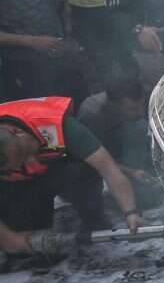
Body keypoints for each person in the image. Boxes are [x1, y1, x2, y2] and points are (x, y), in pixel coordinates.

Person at [0, 96, 143, 258]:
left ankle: (94, 219)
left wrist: (131, 212)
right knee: (24, 248)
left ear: (18, 132)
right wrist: (11, 240)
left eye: (26, 154)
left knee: (79, 169)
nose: (30, 162)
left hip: (56, 172)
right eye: (19, 164)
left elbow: (109, 169)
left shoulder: (54, 124)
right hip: (18, 186)